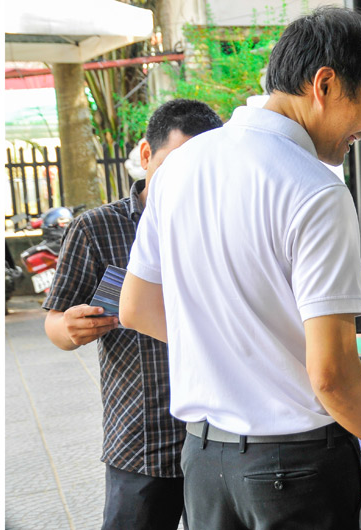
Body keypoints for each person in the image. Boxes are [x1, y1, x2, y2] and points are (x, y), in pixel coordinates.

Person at [118, 7, 361, 529]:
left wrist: (236, 353)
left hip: (204, 459)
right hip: (295, 467)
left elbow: (137, 307)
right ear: (324, 84)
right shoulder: (316, 190)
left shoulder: (179, 168)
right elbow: (331, 373)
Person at [43, 98, 223, 529]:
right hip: (142, 437)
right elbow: (54, 322)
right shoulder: (96, 228)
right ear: (145, 155)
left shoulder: (221, 221)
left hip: (220, 436)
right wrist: (69, 328)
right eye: (172, 166)